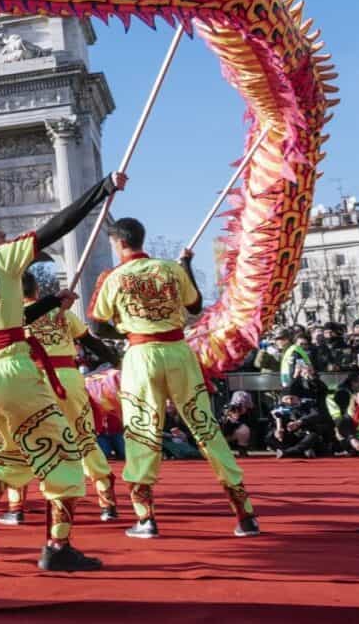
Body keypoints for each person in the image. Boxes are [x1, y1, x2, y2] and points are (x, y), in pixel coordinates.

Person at [0, 171, 126, 573]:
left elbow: (12, 317)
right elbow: (55, 226)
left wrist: (51, 305)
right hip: (13, 370)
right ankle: (57, 547)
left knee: (15, 450)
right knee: (65, 455)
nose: (4, 236)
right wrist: (101, 188)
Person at [89, 218, 259, 540]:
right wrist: (186, 266)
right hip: (179, 352)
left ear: (118, 242)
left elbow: (97, 326)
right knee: (205, 426)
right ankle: (245, 514)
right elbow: (194, 306)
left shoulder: (114, 277)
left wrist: (127, 331)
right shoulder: (170, 269)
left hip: (141, 356)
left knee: (142, 431)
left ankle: (146, 517)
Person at [0, 271, 122, 526]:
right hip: (69, 379)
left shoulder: (12, 319)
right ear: (37, 292)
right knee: (83, 435)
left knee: (21, 439)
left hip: (32, 381)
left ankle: (16, 506)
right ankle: (106, 501)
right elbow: (92, 342)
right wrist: (118, 360)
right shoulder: (63, 314)